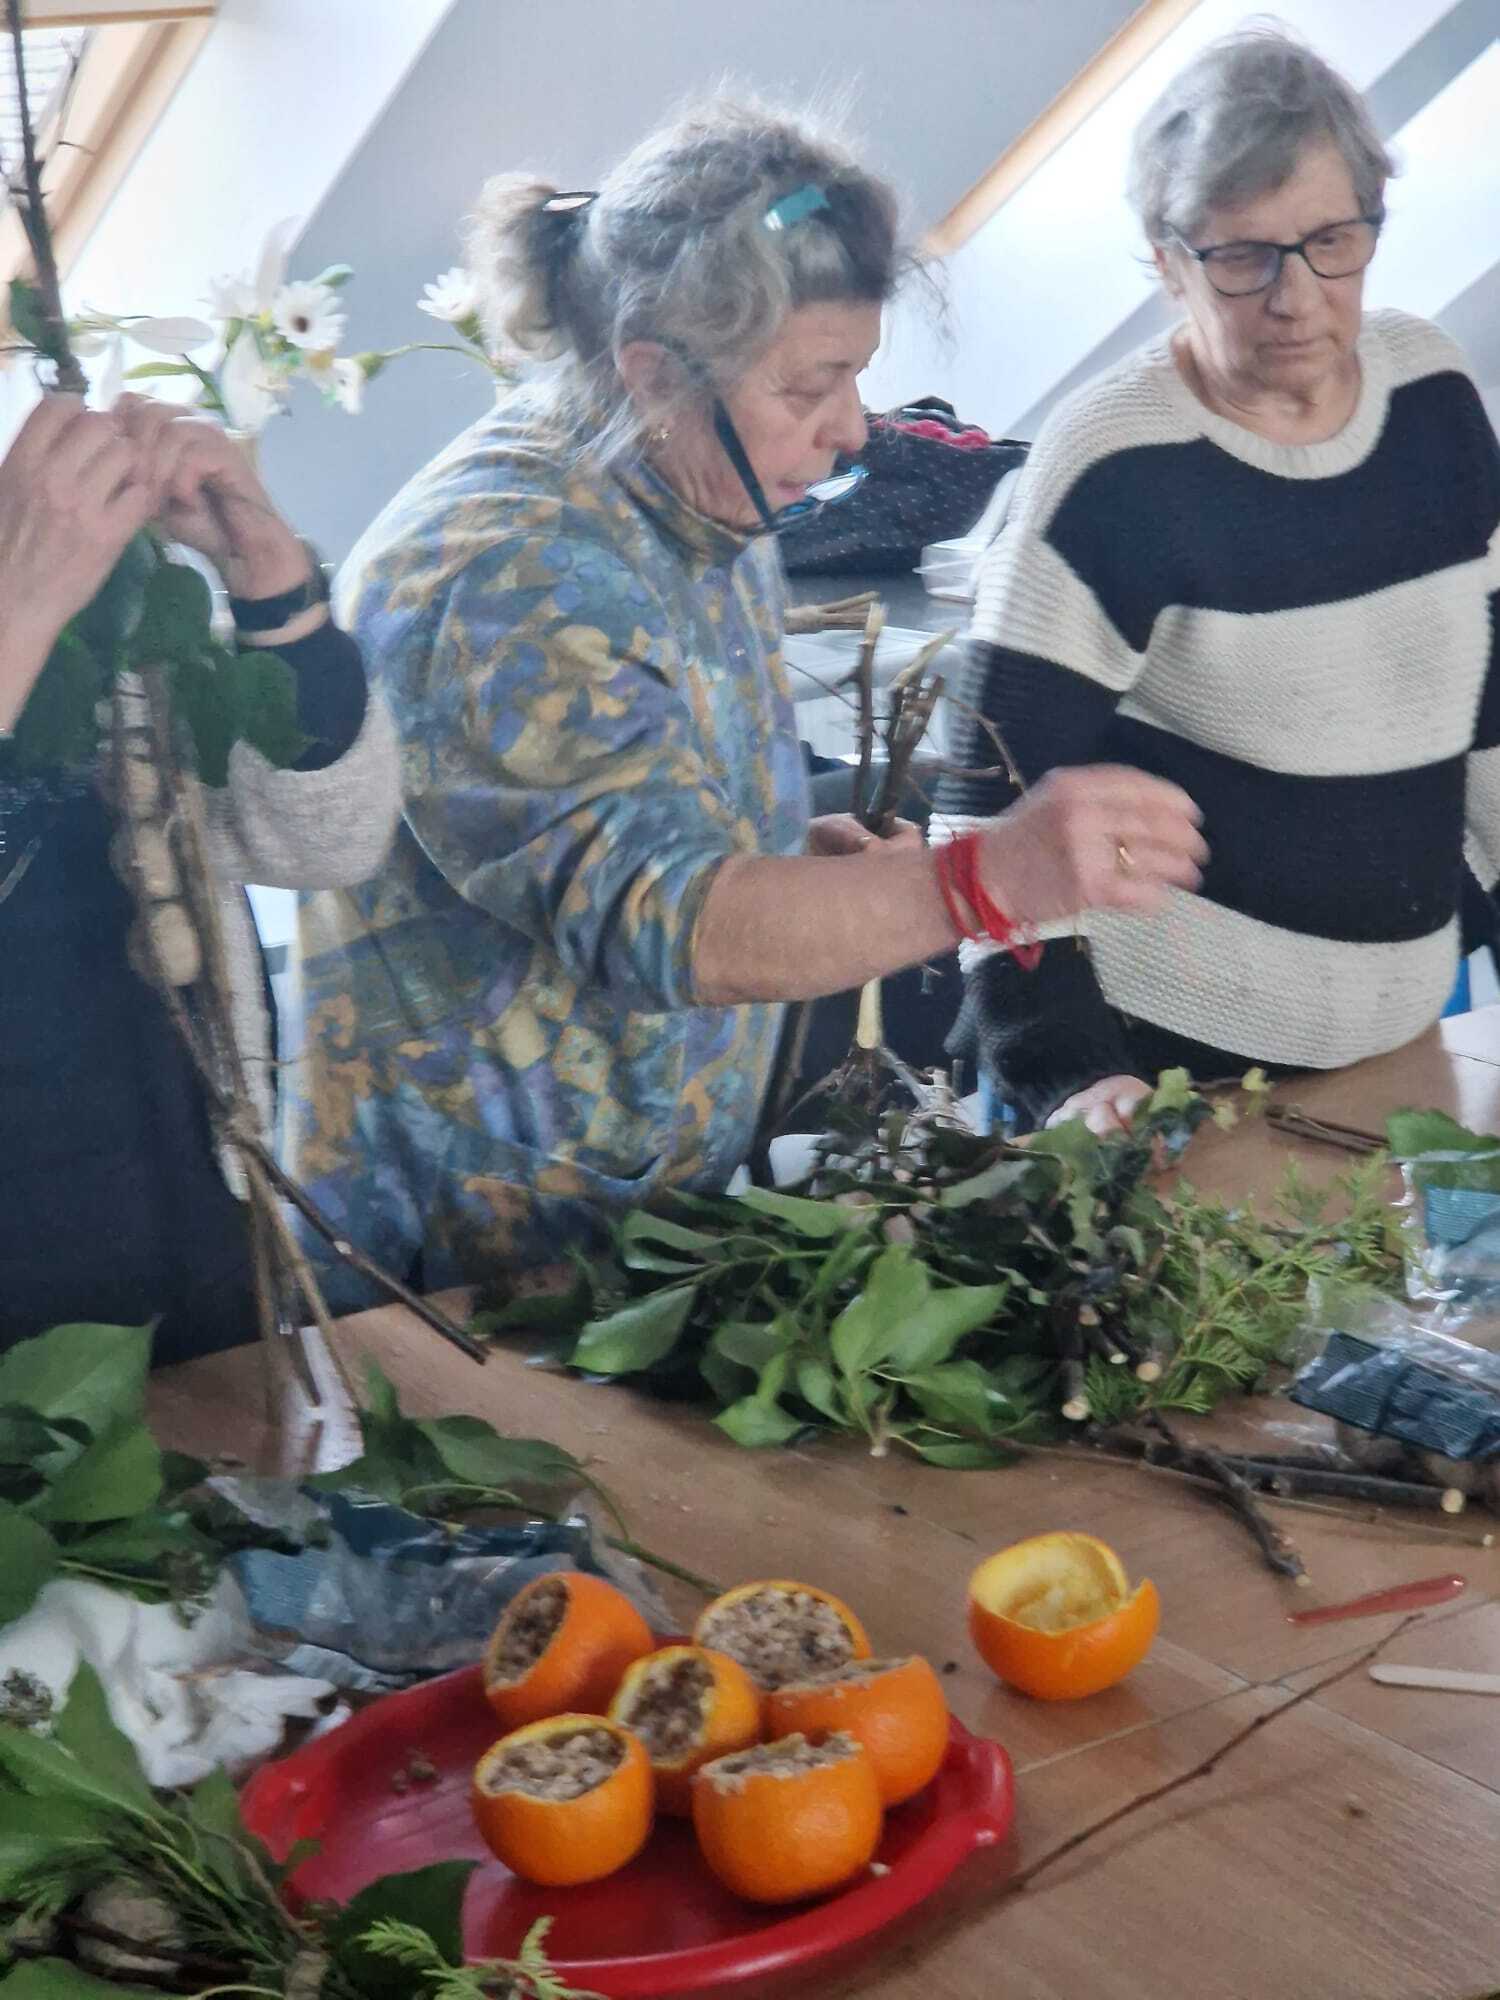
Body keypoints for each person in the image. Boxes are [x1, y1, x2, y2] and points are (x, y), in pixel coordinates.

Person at [290, 98, 1204, 1305]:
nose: (853, 430)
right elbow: (680, 925)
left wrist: (791, 855)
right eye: (812, 385)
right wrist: (986, 879)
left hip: (619, 1236)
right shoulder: (500, 569)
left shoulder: (682, 483)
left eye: (857, 377)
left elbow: (642, 820)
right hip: (454, 1282)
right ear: (654, 372)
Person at [939, 27, 1500, 1136]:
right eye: (1241, 257)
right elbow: (978, 808)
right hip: (1169, 1068)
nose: (1295, 296)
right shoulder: (1114, 463)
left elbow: (1482, 708)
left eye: (1331, 240)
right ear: (1164, 257)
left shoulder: (1435, 393)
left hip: (1400, 1028)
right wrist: (1070, 1072)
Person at [0, 392, 399, 1363]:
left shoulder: (58, 548)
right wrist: (15, 614)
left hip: (188, 1233)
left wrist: (272, 591)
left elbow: (323, 842)